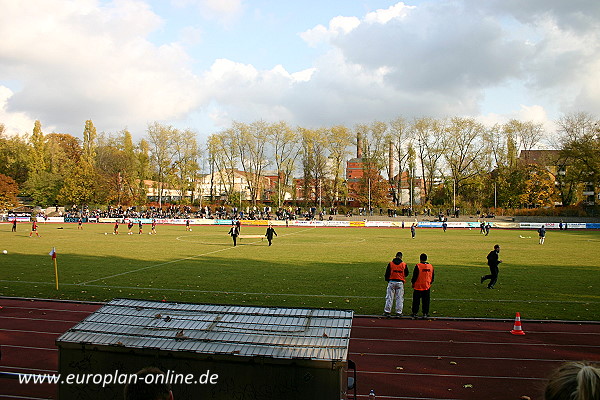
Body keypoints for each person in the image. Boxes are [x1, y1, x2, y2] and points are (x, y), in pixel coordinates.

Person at [384, 251, 410, 317]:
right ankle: (399, 312)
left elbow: (387, 273)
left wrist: (388, 280)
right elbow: (406, 273)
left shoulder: (391, 264)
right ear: (401, 257)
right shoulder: (404, 264)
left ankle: (387, 311)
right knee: (399, 298)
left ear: (395, 256)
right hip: (400, 282)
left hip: (392, 281)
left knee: (389, 297)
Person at [411, 253, 434, 319]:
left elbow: (415, 276)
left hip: (418, 286)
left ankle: (415, 313)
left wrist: (413, 283)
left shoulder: (418, 266)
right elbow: (432, 276)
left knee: (416, 301)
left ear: (420, 259)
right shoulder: (430, 266)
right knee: (426, 301)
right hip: (426, 286)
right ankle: (425, 313)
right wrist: (430, 282)